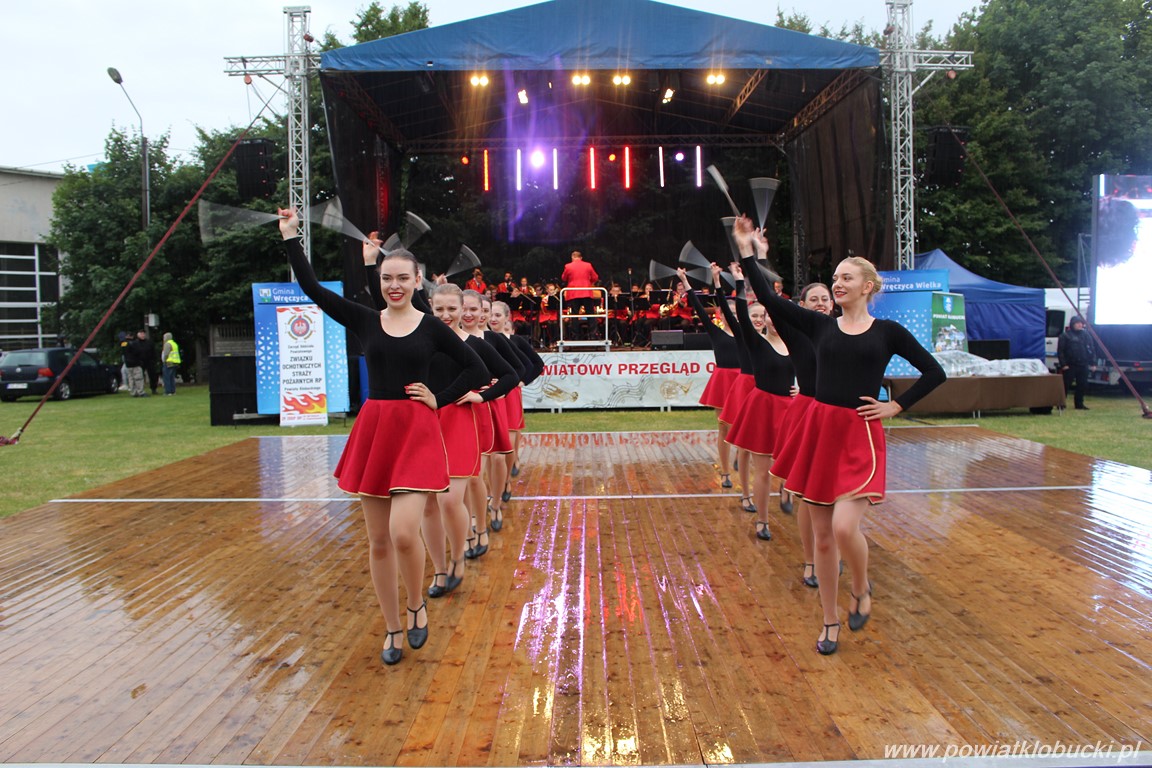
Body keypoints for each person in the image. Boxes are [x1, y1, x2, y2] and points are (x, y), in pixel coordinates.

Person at [278, 208, 487, 667]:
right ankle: (393, 626)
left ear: (417, 281)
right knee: (378, 541)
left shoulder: (431, 326)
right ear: (380, 280)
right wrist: (292, 237)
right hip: (376, 432)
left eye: (402, 278)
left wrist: (439, 398)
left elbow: (477, 368)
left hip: (415, 433)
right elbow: (312, 289)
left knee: (403, 533)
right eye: (387, 277)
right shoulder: (367, 320)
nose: (394, 285)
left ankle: (415, 604)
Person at [733, 215, 945, 656]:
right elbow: (769, 299)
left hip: (859, 436)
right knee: (824, 537)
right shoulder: (821, 326)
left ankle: (861, 587)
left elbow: (934, 371)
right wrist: (748, 251)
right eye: (835, 278)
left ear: (868, 286)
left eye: (846, 277)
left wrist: (896, 405)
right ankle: (830, 620)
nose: (838, 283)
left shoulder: (888, 332)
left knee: (846, 527)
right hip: (821, 433)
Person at [682, 270, 741, 490]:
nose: (731, 315)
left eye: (735, 312)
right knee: (724, 428)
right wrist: (686, 282)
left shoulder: (747, 334)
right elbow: (698, 309)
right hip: (724, 381)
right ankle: (725, 472)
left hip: (744, 381)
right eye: (728, 312)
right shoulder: (717, 333)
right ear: (721, 314)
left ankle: (741, 455)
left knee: (742, 426)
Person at [1057, 316, 1095, 410]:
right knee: (1065, 385)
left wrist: (1093, 363)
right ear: (1072, 324)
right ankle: (1061, 403)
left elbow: (1091, 349)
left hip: (1083, 364)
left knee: (1082, 385)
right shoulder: (1065, 336)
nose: (1080, 325)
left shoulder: (1086, 335)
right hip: (1070, 365)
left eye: (1081, 323)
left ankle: (1079, 404)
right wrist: (1063, 364)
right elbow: (1060, 351)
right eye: (1077, 323)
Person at [561, 250, 599, 337]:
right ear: (581, 258)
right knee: (590, 313)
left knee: (575, 314)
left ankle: (575, 335)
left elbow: (564, 278)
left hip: (574, 293)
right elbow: (595, 277)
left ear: (572, 257)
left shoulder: (568, 266)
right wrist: (588, 282)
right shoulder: (588, 265)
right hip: (586, 292)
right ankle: (593, 334)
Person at [123, 330, 151, 398]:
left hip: (128, 364)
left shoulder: (123, 343)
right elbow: (138, 352)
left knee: (131, 379)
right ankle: (140, 392)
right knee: (138, 378)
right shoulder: (134, 343)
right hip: (135, 363)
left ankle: (133, 392)